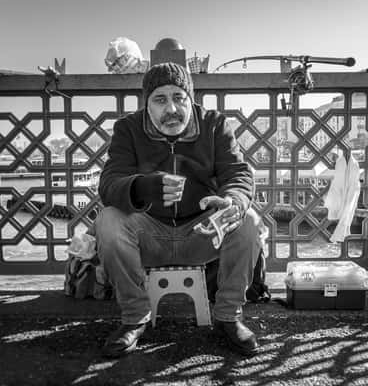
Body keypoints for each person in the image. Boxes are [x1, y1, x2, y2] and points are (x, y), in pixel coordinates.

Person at [95, 62, 264, 358]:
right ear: (147, 103)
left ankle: (228, 316)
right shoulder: (128, 129)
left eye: (179, 97)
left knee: (247, 220)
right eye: (160, 99)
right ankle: (134, 318)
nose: (171, 108)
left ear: (191, 97)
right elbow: (109, 183)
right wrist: (141, 187)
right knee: (108, 220)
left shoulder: (215, 124)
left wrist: (231, 202)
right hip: (150, 236)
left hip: (203, 234)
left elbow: (238, 173)